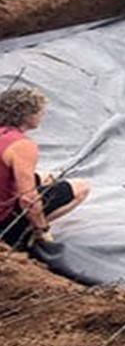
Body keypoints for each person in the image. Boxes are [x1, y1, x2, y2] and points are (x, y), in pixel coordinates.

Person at [1, 88, 90, 250]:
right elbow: (28, 199)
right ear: (27, 115)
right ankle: (25, 233)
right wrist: (43, 230)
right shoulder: (21, 145)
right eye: (40, 111)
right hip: (4, 223)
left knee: (46, 177)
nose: (43, 115)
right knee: (81, 187)